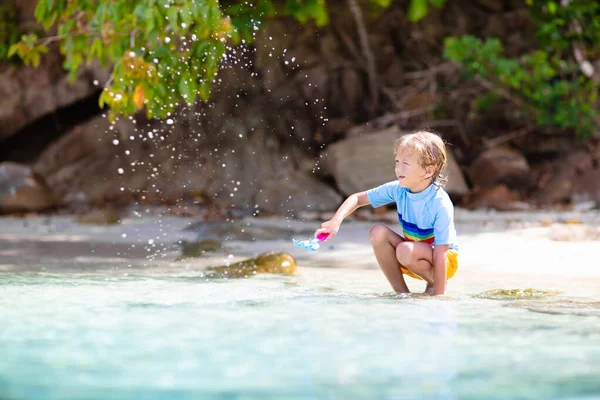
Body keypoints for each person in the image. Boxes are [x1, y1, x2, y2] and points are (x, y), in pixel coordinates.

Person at [315, 130, 459, 295]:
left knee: (405, 250)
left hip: (445, 261)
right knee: (378, 233)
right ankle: (402, 294)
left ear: (428, 170)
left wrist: (439, 296)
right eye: (397, 161)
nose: (398, 168)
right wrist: (335, 221)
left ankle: (435, 285)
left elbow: (441, 253)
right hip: (412, 255)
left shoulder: (439, 203)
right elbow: (357, 199)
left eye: (406, 163)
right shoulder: (398, 190)